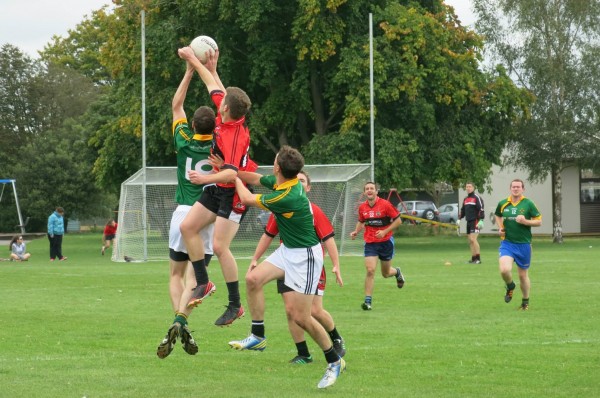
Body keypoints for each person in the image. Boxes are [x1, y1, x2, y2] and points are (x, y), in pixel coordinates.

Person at [229, 146, 346, 389]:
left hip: (306, 257)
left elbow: (247, 199)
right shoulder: (284, 181)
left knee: (302, 317)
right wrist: (234, 170)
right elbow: (256, 178)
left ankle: (334, 361)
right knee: (252, 280)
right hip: (288, 251)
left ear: (278, 168)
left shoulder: (287, 195)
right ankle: (258, 336)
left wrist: (232, 178)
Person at [177, 46, 252, 327]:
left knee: (220, 247)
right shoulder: (227, 115)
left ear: (227, 110)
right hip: (218, 186)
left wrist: (204, 179)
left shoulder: (235, 134)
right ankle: (204, 283)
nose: (216, 103)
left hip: (234, 193)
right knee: (188, 227)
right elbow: (212, 84)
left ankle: (235, 305)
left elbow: (232, 174)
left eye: (221, 103)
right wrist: (210, 66)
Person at [249, 170, 346, 364]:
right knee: (290, 311)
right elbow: (268, 235)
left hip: (308, 265)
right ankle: (304, 354)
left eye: (303, 181)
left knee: (314, 312)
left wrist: (336, 265)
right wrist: (255, 258)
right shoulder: (280, 205)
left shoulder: (313, 210)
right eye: (296, 180)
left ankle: (336, 338)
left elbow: (328, 238)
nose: (299, 183)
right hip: (285, 262)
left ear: (308, 188)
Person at [156, 59, 218, 359]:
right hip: (207, 214)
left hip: (182, 212)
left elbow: (176, 104)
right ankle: (182, 319)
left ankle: (179, 320)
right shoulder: (219, 145)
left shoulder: (183, 140)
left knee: (175, 276)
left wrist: (189, 70)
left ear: (193, 125)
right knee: (197, 277)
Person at [350, 182, 405, 311]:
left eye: (372, 188)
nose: (369, 190)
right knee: (370, 270)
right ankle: (368, 302)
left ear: (376, 191)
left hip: (386, 242)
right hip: (370, 243)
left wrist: (385, 232)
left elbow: (398, 220)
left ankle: (397, 272)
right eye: (367, 189)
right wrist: (356, 231)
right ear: (364, 192)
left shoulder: (385, 205)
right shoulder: (362, 207)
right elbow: (361, 221)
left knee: (385, 274)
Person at [494, 179, 542, 311]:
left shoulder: (528, 204)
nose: (516, 189)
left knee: (522, 275)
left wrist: (525, 221)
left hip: (524, 244)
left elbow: (539, 222)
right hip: (507, 243)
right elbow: (497, 215)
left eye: (518, 187)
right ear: (510, 188)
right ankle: (510, 286)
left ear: (523, 189)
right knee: (504, 270)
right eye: (513, 187)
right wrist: (500, 227)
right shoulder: (503, 203)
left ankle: (525, 302)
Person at [458, 182, 485, 264]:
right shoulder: (465, 199)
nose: (468, 188)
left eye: (470, 186)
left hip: (475, 221)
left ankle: (478, 259)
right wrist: (459, 219)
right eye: (467, 187)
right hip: (468, 221)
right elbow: (463, 210)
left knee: (473, 239)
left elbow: (481, 209)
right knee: (470, 241)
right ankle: (473, 259)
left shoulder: (477, 198)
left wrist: (481, 220)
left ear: (473, 188)